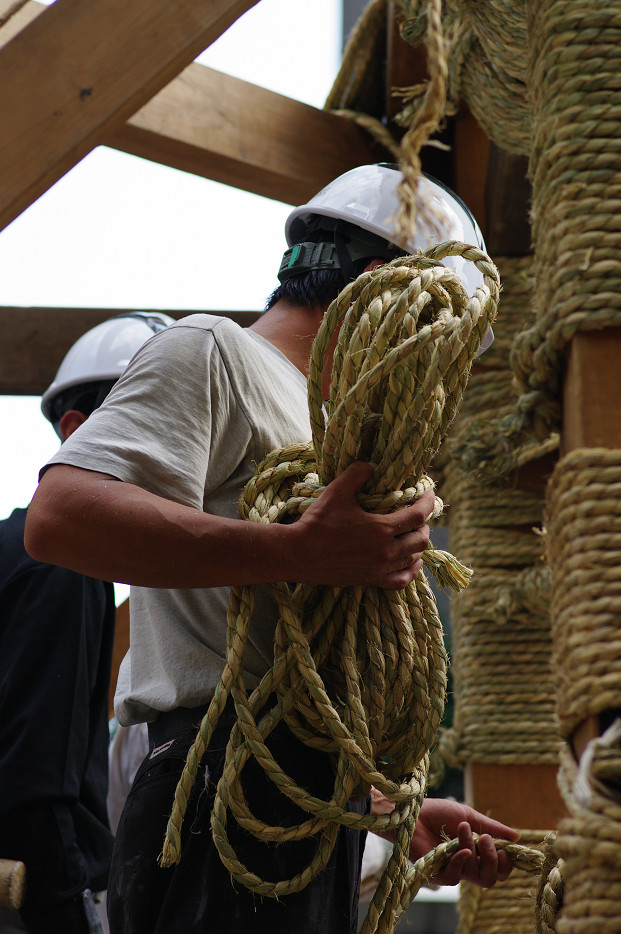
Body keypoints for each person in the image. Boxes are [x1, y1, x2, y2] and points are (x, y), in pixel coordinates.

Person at [25, 165, 517, 934]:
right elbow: (61, 516)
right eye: (438, 334)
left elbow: (293, 659)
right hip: (215, 785)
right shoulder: (214, 353)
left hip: (306, 799)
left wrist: (390, 818)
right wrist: (298, 551)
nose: (437, 369)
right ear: (385, 288)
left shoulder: (332, 427)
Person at [0, 313, 172, 934]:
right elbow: (39, 789)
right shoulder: (61, 567)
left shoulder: (16, 553)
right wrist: (71, 917)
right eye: (162, 429)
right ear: (77, 432)